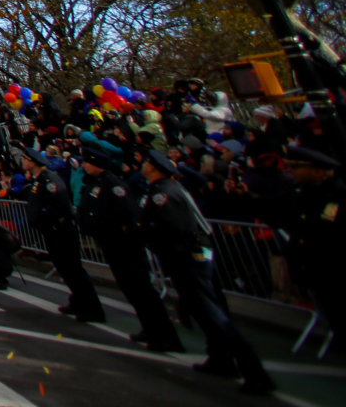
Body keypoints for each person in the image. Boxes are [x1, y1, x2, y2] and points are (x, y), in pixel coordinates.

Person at [140, 150, 274, 395]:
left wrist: (151, 239)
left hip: (188, 258)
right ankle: (220, 359)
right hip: (191, 256)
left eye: (147, 162)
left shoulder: (164, 193)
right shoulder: (166, 189)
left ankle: (254, 372)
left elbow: (176, 230)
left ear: (155, 168)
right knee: (205, 312)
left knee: (212, 314)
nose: (143, 165)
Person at [77, 142, 182, 352]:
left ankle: (166, 335)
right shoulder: (96, 183)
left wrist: (118, 233)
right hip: (111, 243)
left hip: (124, 244)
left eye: (87, 162)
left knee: (142, 290)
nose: (84, 165)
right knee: (132, 290)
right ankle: (150, 328)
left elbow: (127, 215)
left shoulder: (113, 184)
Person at [19, 147, 104, 322]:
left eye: (25, 159)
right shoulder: (40, 180)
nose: (23, 161)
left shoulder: (50, 181)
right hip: (52, 230)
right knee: (66, 269)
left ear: (32, 162)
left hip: (61, 231)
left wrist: (42, 219)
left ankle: (93, 308)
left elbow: (58, 207)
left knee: (73, 270)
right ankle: (78, 301)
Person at [280, 145, 343, 346]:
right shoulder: (305, 194)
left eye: (295, 167)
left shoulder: (336, 194)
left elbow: (323, 234)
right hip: (316, 270)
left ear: (316, 171)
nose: (289, 171)